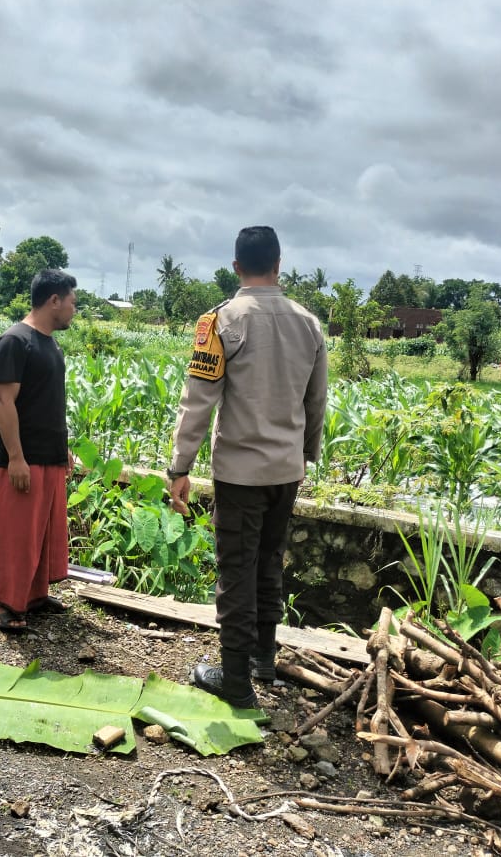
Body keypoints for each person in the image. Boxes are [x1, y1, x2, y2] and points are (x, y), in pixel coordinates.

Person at [168, 226, 328, 707]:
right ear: (279, 265)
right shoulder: (309, 323)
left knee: (236, 568)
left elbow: (198, 402)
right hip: (286, 470)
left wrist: (180, 466)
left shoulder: (219, 323)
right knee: (269, 560)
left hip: (240, 472)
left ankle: (234, 678)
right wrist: (305, 453)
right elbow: (315, 400)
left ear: (236, 267)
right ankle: (262, 656)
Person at [0, 268, 78, 633]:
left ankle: (35, 595)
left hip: (49, 454)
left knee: (43, 531)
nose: (74, 310)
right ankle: (7, 606)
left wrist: (63, 448)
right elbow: (4, 402)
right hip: (23, 458)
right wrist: (15, 458)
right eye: (72, 302)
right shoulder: (15, 341)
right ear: (53, 300)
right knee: (18, 534)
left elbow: (49, 402)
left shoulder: (50, 343)